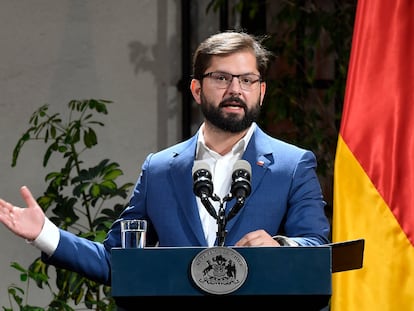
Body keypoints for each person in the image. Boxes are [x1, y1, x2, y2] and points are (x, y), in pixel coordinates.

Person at [0, 31, 330, 287]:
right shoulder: (160, 169)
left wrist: (281, 246)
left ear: (261, 91)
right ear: (197, 90)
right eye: (221, 78)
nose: (235, 90)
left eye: (247, 80)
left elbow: (318, 247)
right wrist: (45, 233)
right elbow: (120, 261)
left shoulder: (292, 164)